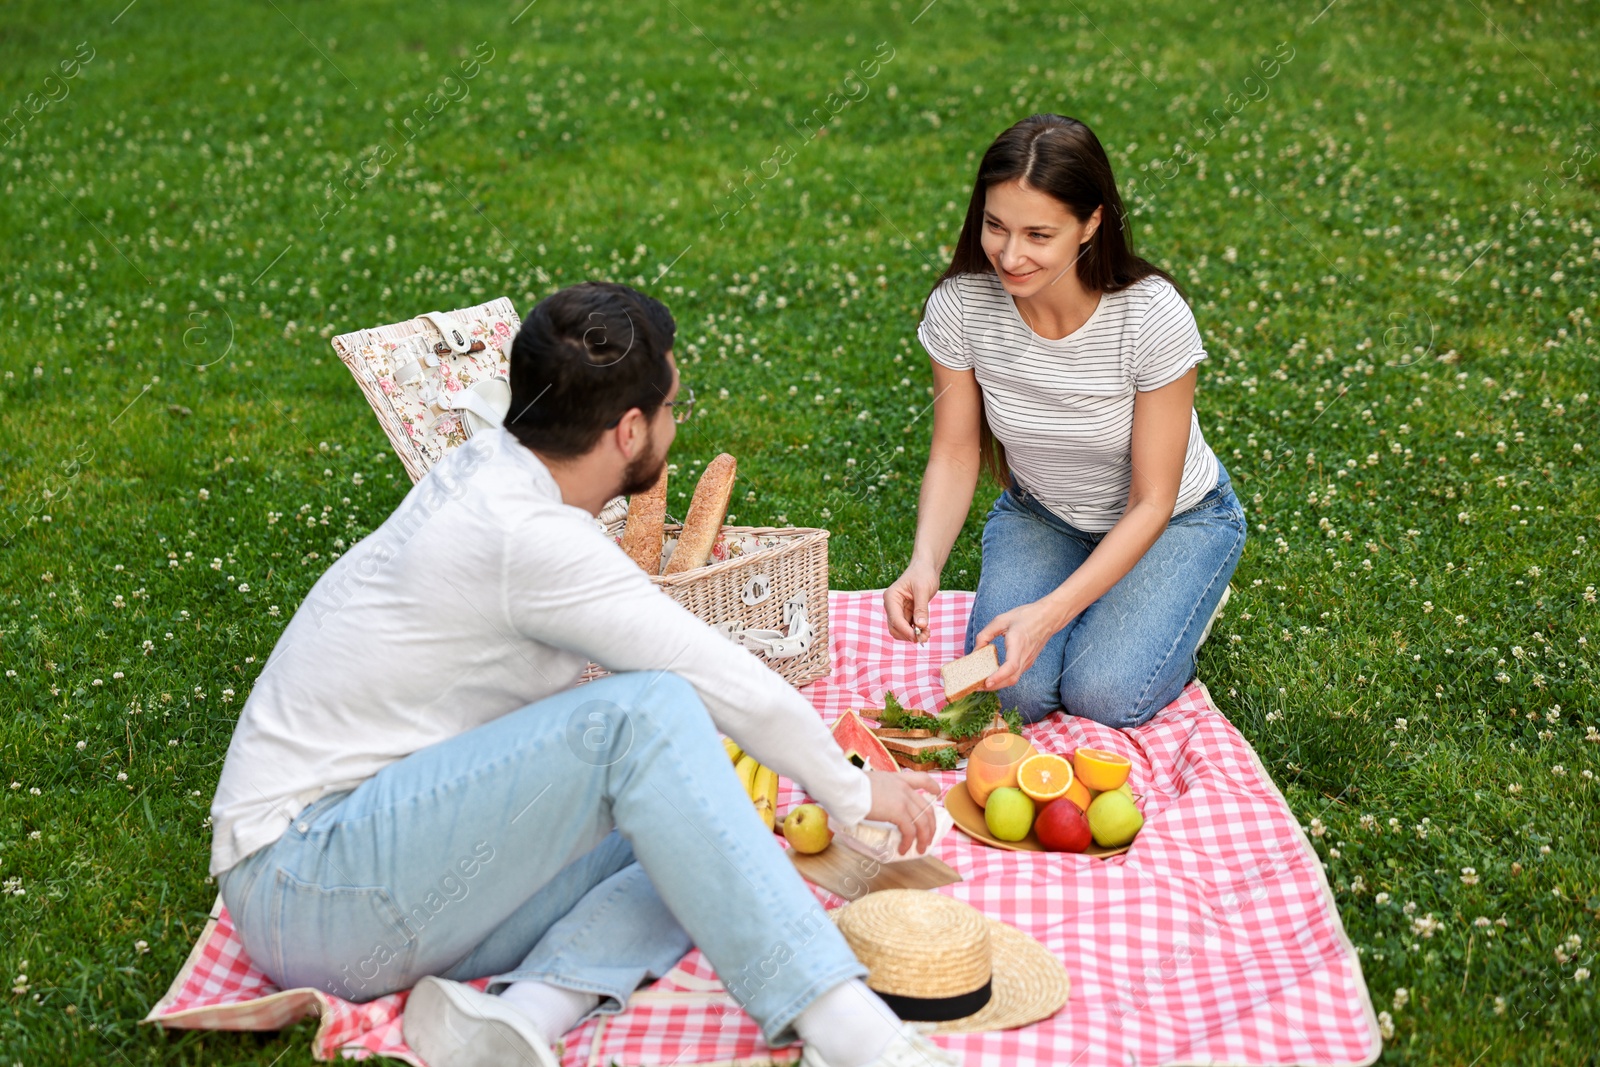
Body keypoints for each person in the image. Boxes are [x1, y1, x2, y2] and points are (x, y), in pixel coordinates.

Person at [209, 281, 956, 1067]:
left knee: (700, 823)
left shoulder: (505, 468)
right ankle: (849, 1028)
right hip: (308, 880)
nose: (676, 418)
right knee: (650, 713)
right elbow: (713, 672)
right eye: (673, 402)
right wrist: (853, 786)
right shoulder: (524, 534)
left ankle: (521, 1019)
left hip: (387, 878)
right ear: (630, 430)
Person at [884, 114, 1246, 729]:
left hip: (1173, 522)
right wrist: (925, 562)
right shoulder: (962, 305)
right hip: (1044, 514)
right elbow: (953, 453)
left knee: (1103, 695)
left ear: (1091, 224)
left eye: (1038, 234)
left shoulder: (1150, 315)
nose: (1010, 254)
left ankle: (1187, 597)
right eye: (995, 226)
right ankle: (1098, 607)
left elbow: (1152, 501)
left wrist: (1048, 615)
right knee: (1006, 695)